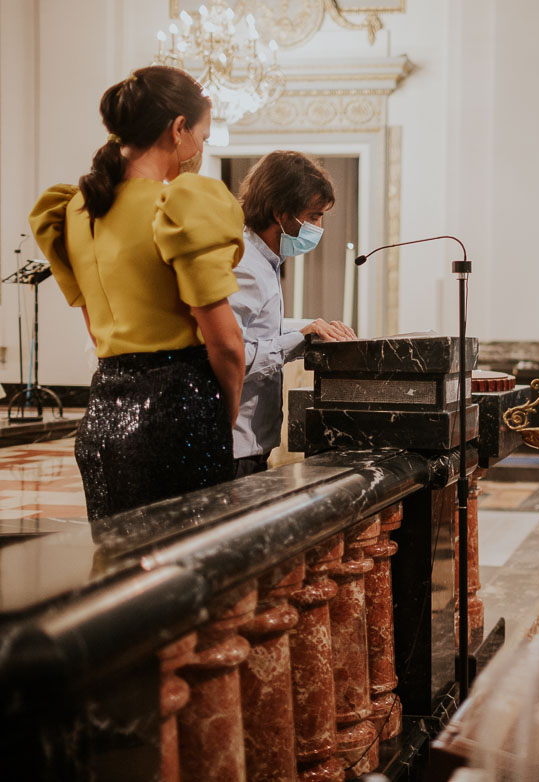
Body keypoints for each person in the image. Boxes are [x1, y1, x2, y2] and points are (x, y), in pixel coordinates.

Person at [28, 66, 244, 523]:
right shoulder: (178, 205)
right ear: (178, 129)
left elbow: (93, 326)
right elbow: (226, 345)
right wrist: (221, 417)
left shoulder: (73, 210)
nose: (201, 147)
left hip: (104, 412)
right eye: (201, 135)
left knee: (118, 570)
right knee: (190, 572)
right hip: (179, 411)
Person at [231, 151, 356, 477]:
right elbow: (229, 353)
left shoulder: (265, 263)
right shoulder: (245, 266)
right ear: (280, 212)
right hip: (235, 443)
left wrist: (313, 329)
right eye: (313, 217)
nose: (318, 227)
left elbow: (258, 328)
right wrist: (297, 342)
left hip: (253, 440)